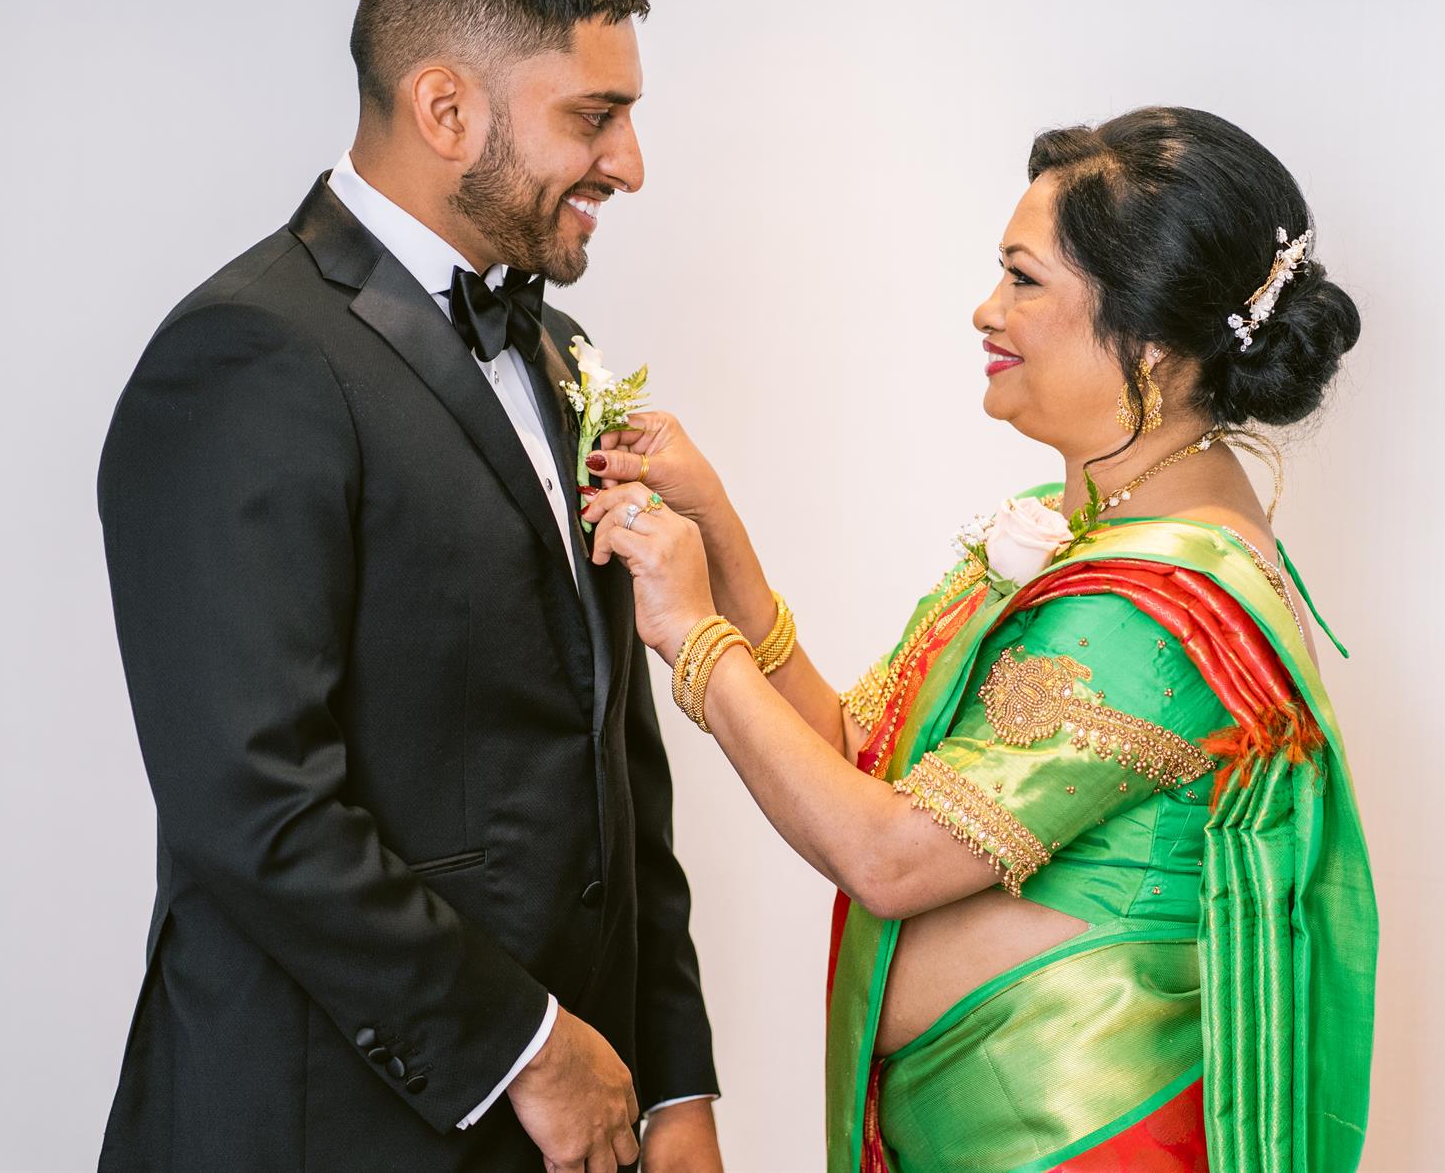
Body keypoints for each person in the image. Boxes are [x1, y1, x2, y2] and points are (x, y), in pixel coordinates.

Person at [581, 106, 1379, 1172]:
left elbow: (886, 856)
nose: (985, 310)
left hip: (1082, 1142)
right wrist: (718, 534)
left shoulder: (1164, 605)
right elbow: (859, 754)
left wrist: (692, 636)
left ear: (1146, 334)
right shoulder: (1075, 530)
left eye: (1023, 279)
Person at [94, 0, 719, 1169]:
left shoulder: (560, 352)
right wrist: (528, 1048)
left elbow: (613, 750)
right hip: (324, 1124)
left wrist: (673, 1083)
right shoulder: (246, 355)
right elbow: (254, 801)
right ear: (446, 109)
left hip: (573, 1123)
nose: (631, 164)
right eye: (594, 116)